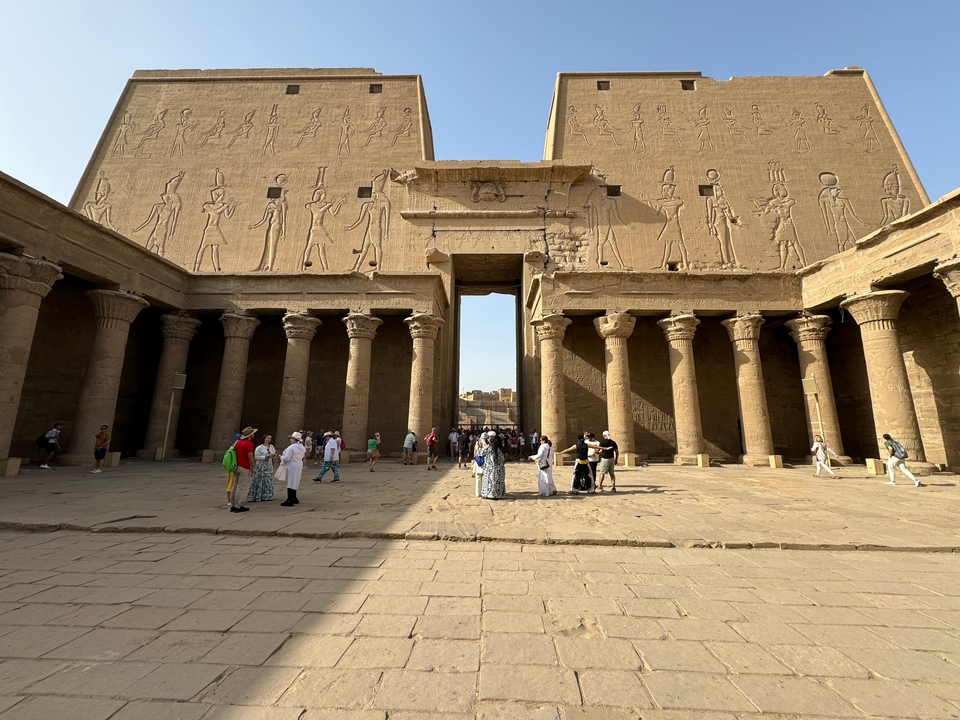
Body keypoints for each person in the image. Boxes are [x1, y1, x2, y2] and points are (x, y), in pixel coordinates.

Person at [229, 426, 256, 513]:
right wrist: (253, 467)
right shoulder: (249, 444)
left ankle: (233, 504)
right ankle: (238, 505)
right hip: (244, 467)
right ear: (250, 435)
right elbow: (250, 457)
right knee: (240, 487)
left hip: (237, 466)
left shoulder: (238, 442)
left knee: (235, 485)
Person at [280, 431, 307, 506]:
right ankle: (294, 497)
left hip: (291, 465)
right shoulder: (302, 447)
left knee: (290, 480)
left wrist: (281, 457)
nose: (290, 440)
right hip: (298, 464)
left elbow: (286, 458)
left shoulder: (291, 447)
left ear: (294, 439)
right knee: (295, 480)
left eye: (291, 438)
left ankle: (289, 499)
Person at [247, 434, 276, 502]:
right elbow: (256, 457)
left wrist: (273, 456)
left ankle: (267, 495)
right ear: (264, 438)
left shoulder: (271, 446)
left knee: (267, 481)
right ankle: (257, 495)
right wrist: (265, 456)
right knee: (259, 481)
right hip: (261, 466)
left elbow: (273, 454)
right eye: (267, 438)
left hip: (269, 465)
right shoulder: (259, 447)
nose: (269, 439)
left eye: (270, 438)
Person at [479, 431, 506, 500]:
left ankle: (488, 494)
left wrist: (481, 445)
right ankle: (498, 495)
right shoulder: (500, 448)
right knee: (498, 482)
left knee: (488, 481)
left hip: (489, 468)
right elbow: (503, 458)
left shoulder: (488, 447)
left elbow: (480, 453)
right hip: (499, 469)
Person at [473, 432, 487, 497]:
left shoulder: (477, 443)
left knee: (478, 478)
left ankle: (478, 493)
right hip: (484, 462)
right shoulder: (486, 444)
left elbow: (474, 453)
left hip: (478, 462)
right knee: (484, 478)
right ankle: (483, 492)